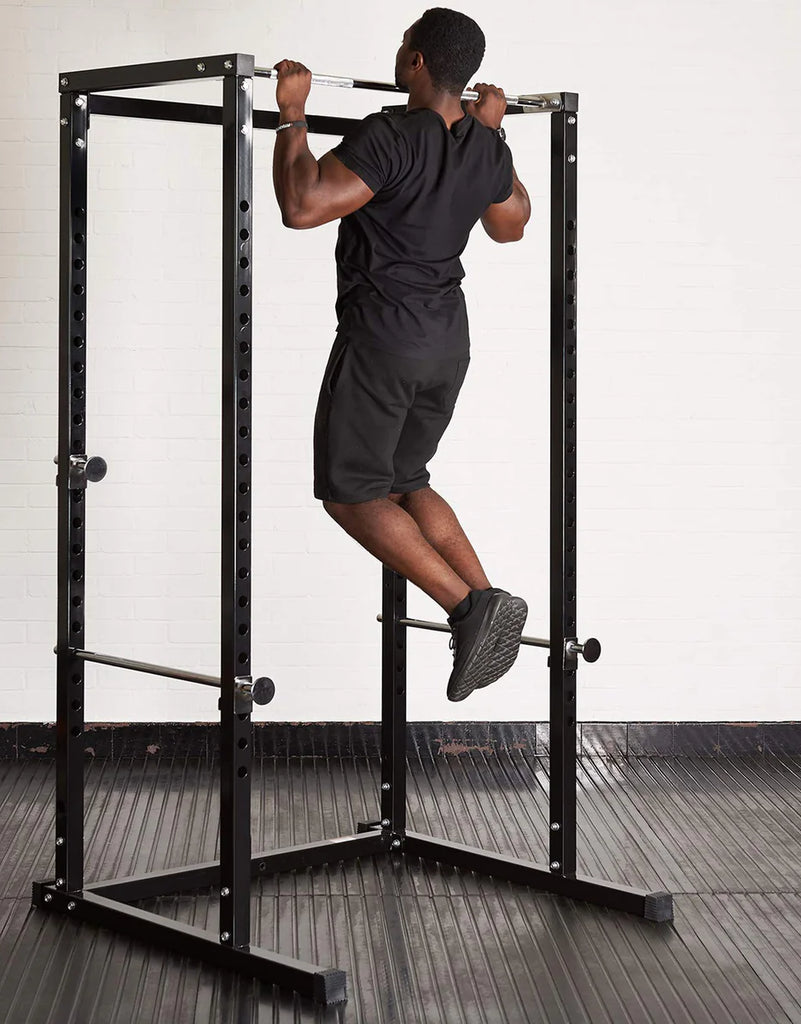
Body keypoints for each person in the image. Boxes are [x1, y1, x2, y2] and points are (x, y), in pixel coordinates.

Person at [271, 8, 532, 702]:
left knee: (351, 495)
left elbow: (302, 205)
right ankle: (488, 601)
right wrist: (490, 133)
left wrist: (293, 114)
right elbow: (512, 225)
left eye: (402, 45)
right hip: (447, 342)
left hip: (385, 339)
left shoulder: (389, 135)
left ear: (416, 62)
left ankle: (466, 606)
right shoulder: (483, 144)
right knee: (406, 481)